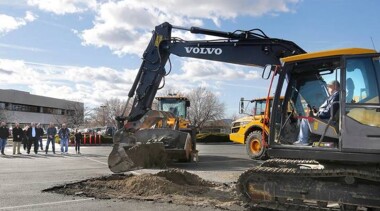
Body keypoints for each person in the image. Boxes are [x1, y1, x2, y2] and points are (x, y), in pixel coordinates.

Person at [295, 80, 340, 145]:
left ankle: (303, 141)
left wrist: (317, 115)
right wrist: (317, 111)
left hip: (328, 120)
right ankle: (304, 139)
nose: (327, 88)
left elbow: (329, 112)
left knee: (305, 119)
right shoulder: (335, 96)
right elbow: (328, 109)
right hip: (326, 117)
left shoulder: (336, 96)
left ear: (335, 87)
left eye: (329, 87)